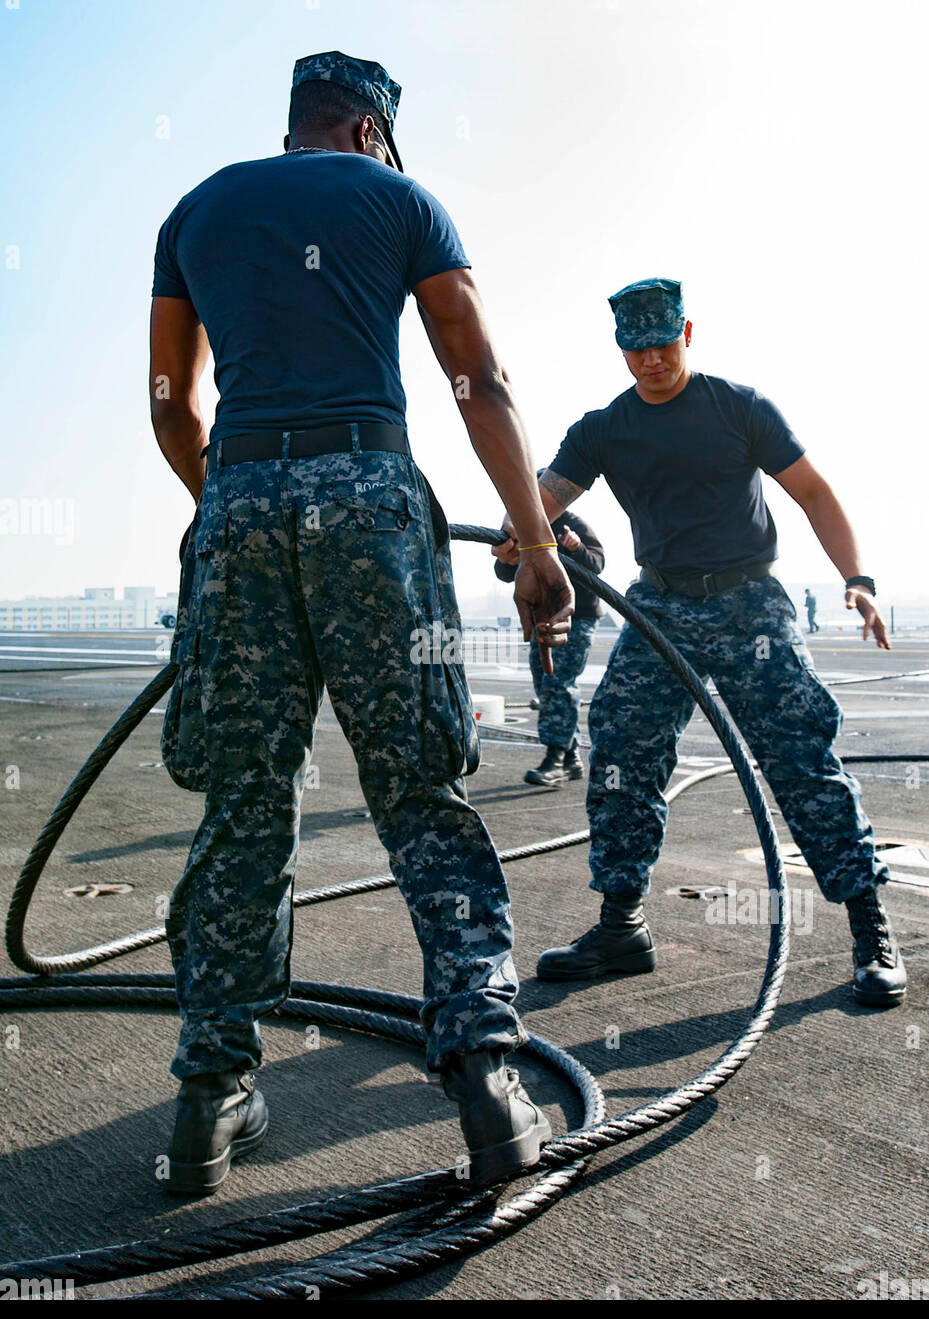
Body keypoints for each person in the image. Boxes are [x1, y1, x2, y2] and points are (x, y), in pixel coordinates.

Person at [148, 50, 574, 1193]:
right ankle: (485, 1077)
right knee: (419, 791)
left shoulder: (196, 208)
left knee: (243, 799)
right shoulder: (401, 200)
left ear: (297, 124)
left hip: (238, 498)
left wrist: (238, 512)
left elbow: (171, 404)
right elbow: (475, 377)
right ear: (370, 131)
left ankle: (207, 1100)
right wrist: (534, 543)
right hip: (372, 499)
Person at [493, 278, 905, 1009]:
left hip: (750, 602)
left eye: (661, 344)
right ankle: (621, 926)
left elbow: (811, 490)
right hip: (659, 604)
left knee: (801, 758)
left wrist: (857, 577)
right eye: (635, 348)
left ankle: (868, 928)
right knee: (620, 748)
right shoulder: (602, 428)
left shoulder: (737, 406)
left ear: (688, 334)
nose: (650, 360)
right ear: (620, 350)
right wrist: (523, 538)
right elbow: (543, 498)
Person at [494, 471, 605, 785]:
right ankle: (570, 758)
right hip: (540, 616)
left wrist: (576, 548)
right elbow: (503, 573)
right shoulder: (522, 525)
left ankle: (556, 757)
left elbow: (597, 565)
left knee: (558, 683)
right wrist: (509, 553)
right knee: (545, 684)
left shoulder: (575, 524)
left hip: (576, 618)